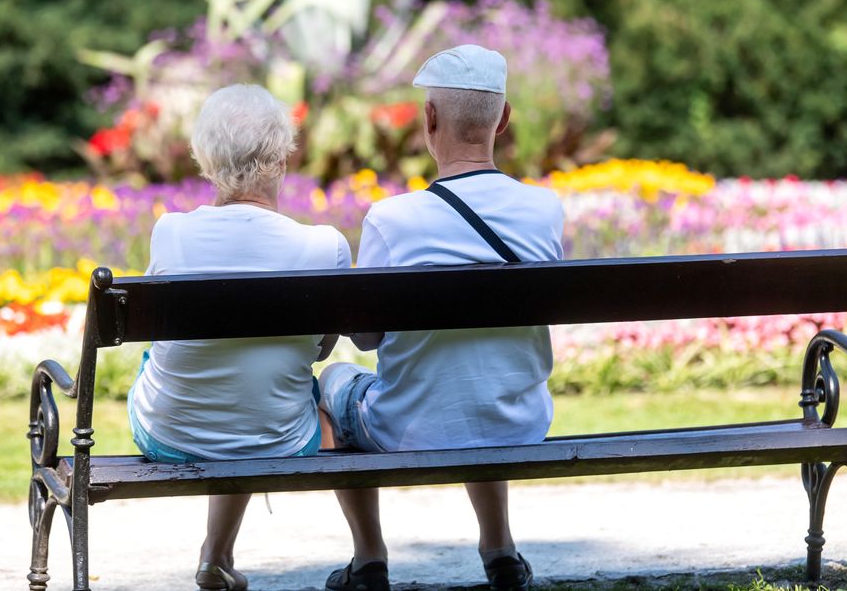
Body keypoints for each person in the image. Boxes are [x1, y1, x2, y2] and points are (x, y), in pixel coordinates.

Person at [318, 44, 564, 591]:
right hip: (517, 421)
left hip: (408, 428)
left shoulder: (392, 220)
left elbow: (365, 339)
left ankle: (369, 558)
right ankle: (500, 550)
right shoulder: (545, 210)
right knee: (481, 381)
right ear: (503, 119)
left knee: (333, 382)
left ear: (428, 119)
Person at [127, 84, 352, 590]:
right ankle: (365, 553)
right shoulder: (324, 247)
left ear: (205, 159)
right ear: (282, 158)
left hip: (169, 434)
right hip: (281, 436)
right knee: (261, 391)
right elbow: (322, 350)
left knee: (214, 374)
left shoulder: (170, 233)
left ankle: (216, 555)